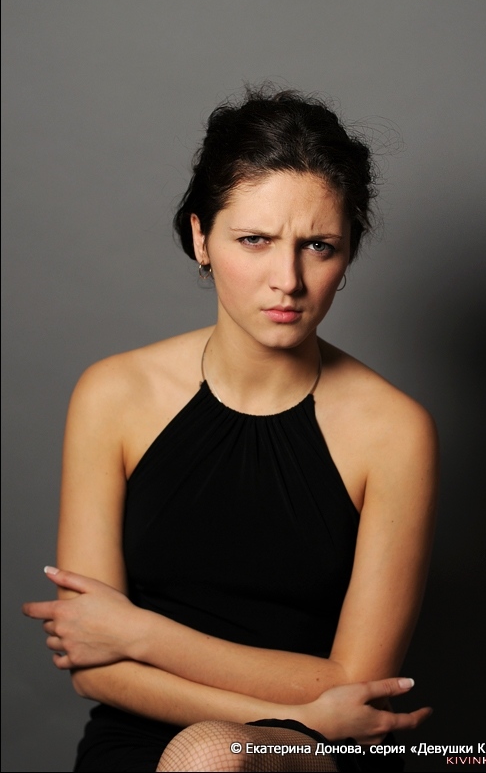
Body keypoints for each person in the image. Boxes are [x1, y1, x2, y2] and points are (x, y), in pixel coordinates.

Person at [23, 86, 438, 773]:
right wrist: (300, 709)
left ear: (348, 254)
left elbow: (356, 683)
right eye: (254, 240)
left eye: (319, 246)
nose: (287, 279)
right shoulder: (113, 394)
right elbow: (94, 667)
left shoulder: (393, 431)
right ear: (200, 239)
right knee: (208, 754)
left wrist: (141, 634)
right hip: (146, 732)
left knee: (213, 755)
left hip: (319, 750)